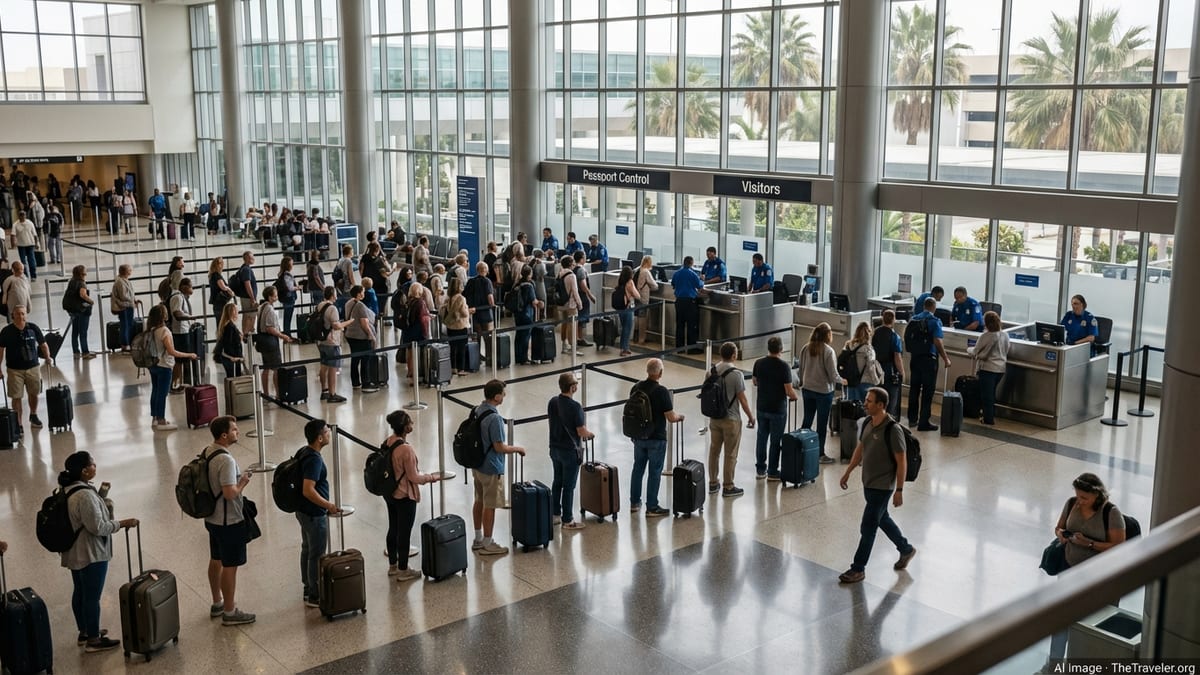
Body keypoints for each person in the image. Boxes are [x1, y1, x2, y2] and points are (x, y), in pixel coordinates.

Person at [57, 451, 139, 652]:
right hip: (90, 553)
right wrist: (122, 523)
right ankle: (93, 640)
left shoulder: (67, 488)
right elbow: (98, 527)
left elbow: (84, 516)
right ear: (84, 471)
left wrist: (101, 497)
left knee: (80, 591)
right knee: (92, 597)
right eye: (92, 464)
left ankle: (85, 631)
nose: (95, 466)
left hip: (74, 551)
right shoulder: (85, 495)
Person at [837, 387, 916, 584]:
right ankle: (906, 549)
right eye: (866, 400)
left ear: (881, 405)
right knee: (882, 519)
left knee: (868, 526)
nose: (865, 403)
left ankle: (858, 568)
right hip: (869, 483)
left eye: (870, 401)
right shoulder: (867, 423)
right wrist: (848, 471)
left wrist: (899, 490)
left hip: (883, 486)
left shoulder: (893, 430)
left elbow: (901, 461)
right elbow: (861, 448)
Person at [1048, 473, 1128, 659]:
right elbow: (1059, 526)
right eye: (1077, 496)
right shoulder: (1071, 504)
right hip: (1069, 569)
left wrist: (1090, 544)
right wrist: (1061, 534)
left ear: (1097, 495)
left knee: (1092, 620)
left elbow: (1120, 546)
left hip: (1098, 576)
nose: (1080, 501)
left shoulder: (1111, 513)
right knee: (1061, 619)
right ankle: (1054, 663)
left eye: (1084, 497)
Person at [201, 416, 256, 625]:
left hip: (212, 518)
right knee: (230, 565)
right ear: (224, 435)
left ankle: (217, 602)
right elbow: (230, 493)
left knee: (216, 559)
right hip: (228, 521)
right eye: (234, 430)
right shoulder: (226, 460)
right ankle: (230, 611)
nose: (238, 432)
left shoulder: (209, 450)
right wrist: (243, 482)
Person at [382, 410, 446, 580]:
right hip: (405, 496)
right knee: (404, 532)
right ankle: (404, 570)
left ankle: (393, 566)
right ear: (405, 427)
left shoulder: (388, 442)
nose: (412, 425)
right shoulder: (406, 449)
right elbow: (413, 477)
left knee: (393, 528)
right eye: (410, 422)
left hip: (390, 493)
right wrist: (431, 477)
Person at [471, 380, 526, 555]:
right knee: (491, 504)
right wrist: (517, 448)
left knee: (479, 499)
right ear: (496, 396)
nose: (505, 396)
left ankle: (478, 538)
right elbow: (499, 447)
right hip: (491, 467)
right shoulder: (494, 418)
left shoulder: (477, 410)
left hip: (477, 464)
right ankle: (488, 542)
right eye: (503, 393)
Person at [291, 419, 341, 607]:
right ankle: (315, 594)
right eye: (327, 432)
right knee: (317, 554)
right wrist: (328, 505)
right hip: (314, 513)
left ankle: (307, 586)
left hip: (303, 511)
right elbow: (308, 490)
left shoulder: (304, 451)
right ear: (319, 438)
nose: (329, 433)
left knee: (307, 549)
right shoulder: (314, 459)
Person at [629, 358, 685, 517]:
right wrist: (680, 416)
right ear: (660, 373)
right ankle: (652, 506)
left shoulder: (636, 388)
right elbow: (671, 417)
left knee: (638, 469)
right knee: (655, 471)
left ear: (647, 371)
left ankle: (634, 502)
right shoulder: (661, 392)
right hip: (656, 438)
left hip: (639, 437)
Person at [706, 342, 755, 498]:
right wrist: (750, 416)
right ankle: (729, 486)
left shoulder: (711, 371)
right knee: (730, 454)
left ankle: (713, 483)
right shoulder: (736, 374)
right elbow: (742, 399)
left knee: (714, 451)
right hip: (731, 419)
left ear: (721, 354)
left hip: (715, 417)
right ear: (734, 355)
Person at [547, 373, 594, 531]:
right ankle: (568, 520)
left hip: (554, 448)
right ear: (573, 387)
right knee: (569, 486)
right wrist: (590, 434)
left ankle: (555, 514)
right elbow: (581, 431)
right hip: (569, 450)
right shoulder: (575, 407)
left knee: (557, 481)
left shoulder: (553, 402)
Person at [0, 305, 52, 435]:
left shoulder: (33, 328)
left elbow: (43, 345)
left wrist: (48, 357)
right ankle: (18, 423)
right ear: (13, 316)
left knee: (34, 393)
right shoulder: (6, 331)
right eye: (18, 314)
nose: (21, 316)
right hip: (14, 370)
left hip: (33, 367)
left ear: (26, 315)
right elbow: (0, 350)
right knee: (16, 397)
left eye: (23, 314)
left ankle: (33, 414)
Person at [145, 304, 198, 430]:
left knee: (155, 391)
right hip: (164, 366)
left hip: (153, 364)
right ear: (163, 316)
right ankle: (162, 420)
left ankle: (155, 418)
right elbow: (171, 351)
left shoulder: (152, 330)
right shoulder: (164, 331)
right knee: (162, 393)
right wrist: (189, 354)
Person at [752, 336, 798, 480]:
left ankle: (760, 469)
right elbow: (788, 390)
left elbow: (754, 382)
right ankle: (772, 471)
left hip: (761, 406)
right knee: (775, 440)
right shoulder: (784, 366)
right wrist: (794, 396)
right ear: (781, 349)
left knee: (761, 437)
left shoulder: (758, 363)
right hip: (777, 409)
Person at [797, 322, 843, 464]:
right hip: (823, 391)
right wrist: (843, 381)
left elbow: (800, 369)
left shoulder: (806, 348)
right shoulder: (828, 351)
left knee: (807, 420)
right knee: (821, 424)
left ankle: (800, 447)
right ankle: (820, 454)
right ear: (828, 335)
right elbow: (833, 374)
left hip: (807, 389)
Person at [908, 297, 951, 431]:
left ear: (924, 306)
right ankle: (924, 422)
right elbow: (937, 341)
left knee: (914, 389)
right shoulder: (935, 321)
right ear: (933, 307)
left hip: (915, 359)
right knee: (927, 391)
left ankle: (912, 419)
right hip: (929, 360)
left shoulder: (913, 319)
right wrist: (945, 358)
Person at [968, 311, 1010, 425]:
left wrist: (968, 349)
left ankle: (988, 419)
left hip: (987, 369)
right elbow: (1007, 349)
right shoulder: (1005, 335)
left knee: (987, 395)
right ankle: (988, 414)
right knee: (991, 393)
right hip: (1000, 369)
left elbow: (975, 351)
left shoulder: (985, 336)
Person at [255, 286, 293, 398]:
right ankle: (278, 393)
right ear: (270, 297)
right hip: (270, 341)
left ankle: (266, 393)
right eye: (275, 295)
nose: (276, 297)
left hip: (262, 340)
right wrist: (283, 336)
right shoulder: (270, 310)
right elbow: (269, 328)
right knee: (277, 368)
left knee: (266, 368)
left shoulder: (261, 307)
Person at [316, 286, 351, 402]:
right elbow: (336, 326)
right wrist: (348, 322)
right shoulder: (332, 308)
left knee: (323, 365)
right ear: (332, 294)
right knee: (333, 367)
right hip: (332, 341)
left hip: (321, 340)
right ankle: (332, 394)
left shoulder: (320, 305)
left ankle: (324, 390)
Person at [343, 285, 379, 393]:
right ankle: (366, 383)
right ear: (359, 293)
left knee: (355, 359)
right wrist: (371, 335)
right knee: (365, 359)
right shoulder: (360, 306)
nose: (364, 294)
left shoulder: (348, 303)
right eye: (362, 292)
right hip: (360, 336)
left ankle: (355, 382)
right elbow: (364, 323)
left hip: (350, 334)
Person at [871, 310, 906, 419]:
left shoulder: (875, 332)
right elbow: (897, 356)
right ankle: (888, 421)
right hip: (889, 371)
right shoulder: (895, 336)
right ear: (894, 319)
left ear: (882, 318)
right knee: (891, 400)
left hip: (876, 370)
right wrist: (902, 372)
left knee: (878, 397)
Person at [168, 278, 200, 391]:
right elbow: (177, 314)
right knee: (179, 360)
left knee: (182, 360)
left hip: (184, 330)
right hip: (180, 332)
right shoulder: (177, 297)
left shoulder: (182, 297)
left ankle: (179, 382)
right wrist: (190, 317)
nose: (192, 288)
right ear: (184, 286)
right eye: (190, 286)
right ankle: (174, 384)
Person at [64, 265, 97, 359]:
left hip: (73, 309)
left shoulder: (72, 281)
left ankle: (76, 351)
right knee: (83, 331)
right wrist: (91, 301)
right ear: (82, 273)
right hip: (82, 310)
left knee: (75, 331)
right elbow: (83, 295)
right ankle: (85, 352)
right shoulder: (82, 283)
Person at [671, 256, 703, 354]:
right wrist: (701, 279)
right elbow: (700, 285)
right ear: (691, 263)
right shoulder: (692, 274)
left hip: (679, 301)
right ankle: (691, 348)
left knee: (680, 325)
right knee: (691, 325)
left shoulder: (676, 273)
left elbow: (673, 285)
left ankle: (679, 348)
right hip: (690, 302)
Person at [465, 261, 496, 362]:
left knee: (476, 337)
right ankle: (489, 358)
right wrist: (493, 305)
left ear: (477, 270)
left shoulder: (470, 281)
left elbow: (465, 295)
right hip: (486, 313)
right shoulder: (487, 281)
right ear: (486, 270)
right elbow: (490, 296)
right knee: (488, 338)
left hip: (474, 313)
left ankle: (476, 357)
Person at [512, 266, 541, 365]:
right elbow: (533, 301)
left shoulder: (517, 283)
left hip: (517, 313)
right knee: (526, 336)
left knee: (518, 335)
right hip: (527, 313)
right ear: (530, 274)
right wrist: (539, 302)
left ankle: (518, 357)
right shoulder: (529, 285)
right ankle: (524, 358)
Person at [842, 321, 879, 402]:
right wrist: (876, 381)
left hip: (850, 381)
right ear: (869, 333)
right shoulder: (868, 349)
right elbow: (871, 367)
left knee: (851, 406)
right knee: (864, 408)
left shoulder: (848, 345)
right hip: (865, 382)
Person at [555, 255, 583, 356]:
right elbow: (575, 292)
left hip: (562, 303)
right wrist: (580, 304)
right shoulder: (571, 275)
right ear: (570, 264)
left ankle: (564, 345)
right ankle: (573, 348)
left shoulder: (560, 274)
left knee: (564, 324)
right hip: (571, 304)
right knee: (573, 326)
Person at [110, 264, 140, 352]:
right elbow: (123, 295)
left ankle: (128, 342)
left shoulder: (125, 280)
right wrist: (131, 301)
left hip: (128, 306)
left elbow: (130, 293)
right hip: (124, 307)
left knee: (129, 325)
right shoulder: (120, 282)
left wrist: (134, 300)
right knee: (125, 325)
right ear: (125, 271)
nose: (131, 271)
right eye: (129, 270)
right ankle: (125, 344)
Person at [572, 250, 596, 347]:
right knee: (582, 319)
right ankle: (580, 338)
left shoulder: (574, 269)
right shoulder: (581, 270)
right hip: (582, 296)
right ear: (581, 258)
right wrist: (591, 296)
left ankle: (578, 338)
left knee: (579, 318)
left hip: (576, 295)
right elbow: (583, 286)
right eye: (584, 256)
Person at [214, 303, 245, 378]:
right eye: (236, 310)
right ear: (232, 312)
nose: (237, 312)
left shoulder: (229, 325)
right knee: (234, 378)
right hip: (232, 358)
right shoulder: (229, 326)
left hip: (232, 357)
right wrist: (233, 357)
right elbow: (228, 343)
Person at [634, 255, 659, 344]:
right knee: (643, 319)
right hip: (643, 298)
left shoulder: (637, 269)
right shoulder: (646, 272)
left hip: (635, 297)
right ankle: (641, 339)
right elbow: (655, 286)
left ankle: (635, 338)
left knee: (636, 318)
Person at [612, 266, 637, 356]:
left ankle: (625, 347)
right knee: (627, 328)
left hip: (620, 308)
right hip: (628, 307)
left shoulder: (620, 282)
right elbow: (637, 295)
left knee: (624, 328)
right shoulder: (630, 282)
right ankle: (624, 348)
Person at [234, 251, 259, 335]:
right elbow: (247, 284)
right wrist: (252, 298)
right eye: (251, 257)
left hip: (246, 297)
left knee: (247, 315)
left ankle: (246, 333)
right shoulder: (246, 270)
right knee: (250, 316)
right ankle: (247, 333)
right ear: (247, 259)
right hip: (248, 297)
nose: (253, 259)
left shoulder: (244, 268)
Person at [11, 210, 38, 280]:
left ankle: (33, 275)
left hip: (30, 244)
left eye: (24, 215)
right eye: (21, 215)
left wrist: (37, 243)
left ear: (25, 216)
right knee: (23, 262)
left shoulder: (30, 223)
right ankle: (25, 275)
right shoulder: (15, 224)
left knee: (31, 260)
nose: (23, 217)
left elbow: (35, 234)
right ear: (19, 216)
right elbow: (12, 235)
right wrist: (13, 244)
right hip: (21, 245)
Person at [275, 256, 298, 336]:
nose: (292, 265)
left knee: (287, 316)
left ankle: (287, 332)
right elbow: (290, 287)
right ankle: (287, 333)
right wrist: (297, 288)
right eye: (291, 264)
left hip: (286, 298)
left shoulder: (282, 274)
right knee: (288, 316)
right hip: (289, 298)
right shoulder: (287, 275)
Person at [208, 256, 235, 325]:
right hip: (220, 302)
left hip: (217, 302)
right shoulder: (216, 275)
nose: (222, 265)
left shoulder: (213, 275)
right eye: (221, 263)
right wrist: (230, 291)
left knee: (220, 322)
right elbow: (223, 287)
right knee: (222, 322)